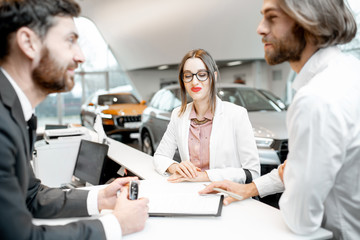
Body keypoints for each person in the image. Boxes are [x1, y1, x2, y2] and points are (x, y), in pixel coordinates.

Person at [200, 0, 360, 239]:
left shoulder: (316, 99)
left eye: (272, 17)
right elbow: (303, 167)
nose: (260, 28)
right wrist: (252, 188)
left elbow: (300, 219)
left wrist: (292, 178)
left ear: (309, 20)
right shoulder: (349, 71)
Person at [0, 0, 148, 239]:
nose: (80, 57)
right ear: (28, 42)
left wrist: (99, 198)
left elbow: (30, 195)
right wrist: (117, 225)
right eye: (70, 40)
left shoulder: (16, 112)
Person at [154, 49, 260, 184]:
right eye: (188, 76)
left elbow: (252, 172)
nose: (194, 82)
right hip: (192, 195)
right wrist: (176, 167)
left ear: (213, 77)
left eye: (202, 74)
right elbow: (160, 156)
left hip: (226, 196)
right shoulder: (178, 114)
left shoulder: (237, 114)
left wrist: (205, 176)